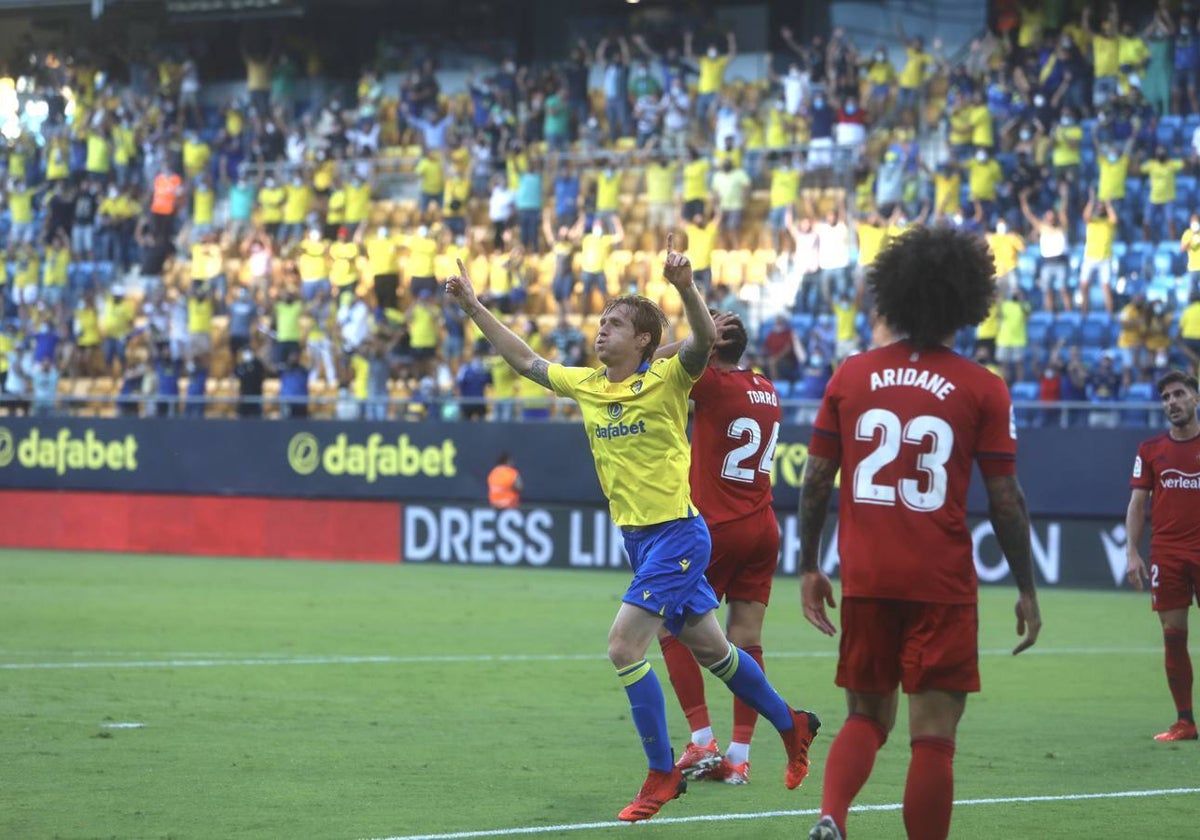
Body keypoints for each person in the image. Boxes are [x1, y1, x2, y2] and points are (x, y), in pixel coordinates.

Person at [443, 237, 819, 823]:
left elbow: (699, 339)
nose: (601, 331)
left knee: (623, 645)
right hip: (641, 539)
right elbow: (523, 360)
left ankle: (662, 771)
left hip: (679, 533)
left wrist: (685, 285)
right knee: (714, 649)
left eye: (614, 324)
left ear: (642, 339)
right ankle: (790, 723)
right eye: (600, 322)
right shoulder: (587, 385)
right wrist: (473, 307)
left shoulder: (669, 379)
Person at [799, 226, 1042, 840]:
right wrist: (1027, 588)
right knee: (933, 740)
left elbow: (816, 481)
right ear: (967, 300)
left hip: (867, 576)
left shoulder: (851, 375)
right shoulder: (983, 386)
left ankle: (832, 814)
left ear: (896, 295)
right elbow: (1006, 501)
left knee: (866, 717)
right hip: (941, 582)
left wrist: (808, 565)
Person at [652, 310, 784, 786]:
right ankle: (740, 756)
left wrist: (691, 339)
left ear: (711, 347)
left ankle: (703, 740)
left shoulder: (709, 384)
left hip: (716, 526)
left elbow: (650, 365)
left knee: (672, 628)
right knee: (747, 638)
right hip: (763, 525)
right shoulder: (766, 387)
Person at [1125, 370, 1200, 743]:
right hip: (1167, 555)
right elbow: (1138, 504)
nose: (1172, 402)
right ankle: (1184, 722)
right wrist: (1131, 553)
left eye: (1179, 394)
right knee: (1173, 637)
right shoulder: (1150, 450)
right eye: (1166, 397)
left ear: (1195, 399)